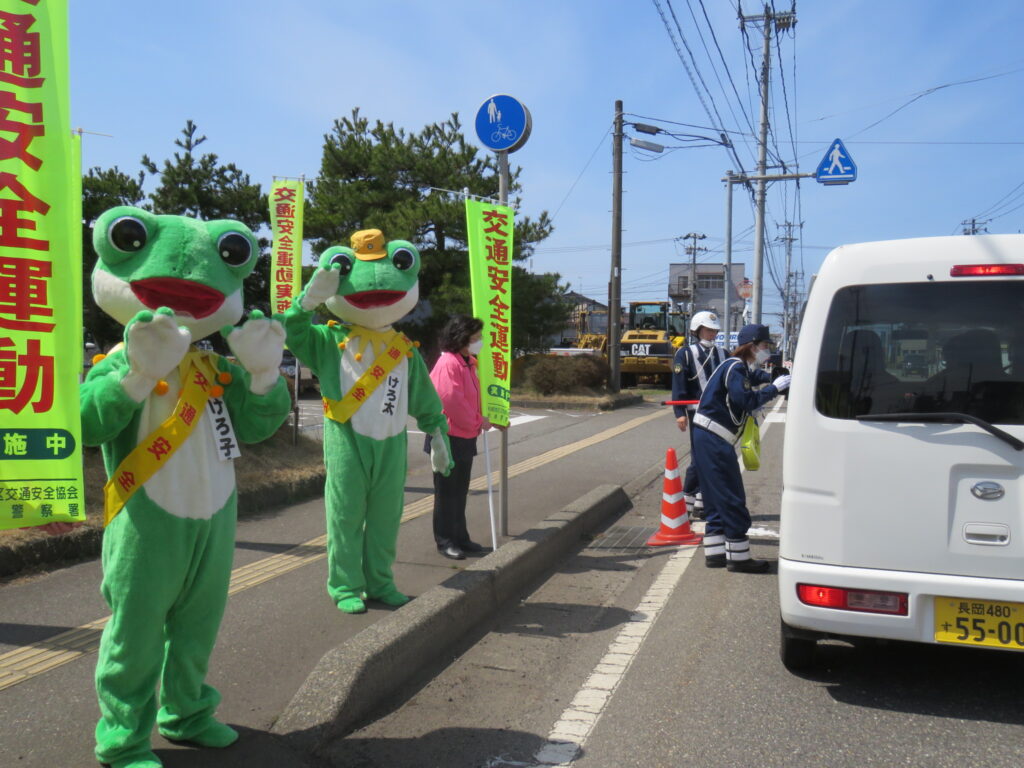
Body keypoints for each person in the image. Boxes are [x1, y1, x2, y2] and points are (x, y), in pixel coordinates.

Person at [691, 323, 791, 573]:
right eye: (765, 346)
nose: (767, 351)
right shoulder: (735, 368)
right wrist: (775, 388)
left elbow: (754, 377)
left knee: (714, 498)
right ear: (752, 346)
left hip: (706, 436)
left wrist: (772, 377)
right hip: (714, 439)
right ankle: (738, 556)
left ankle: (715, 553)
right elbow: (745, 400)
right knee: (731, 495)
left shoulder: (736, 367)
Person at [428, 315, 503, 560]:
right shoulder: (448, 363)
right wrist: (477, 421)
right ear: (460, 338)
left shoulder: (468, 361)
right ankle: (445, 540)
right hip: (448, 435)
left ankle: (461, 537)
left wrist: (484, 418)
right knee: (447, 492)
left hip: (464, 435)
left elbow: (471, 398)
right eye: (475, 338)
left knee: (460, 490)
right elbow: (450, 400)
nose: (479, 342)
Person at [671, 310, 727, 520]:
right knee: (699, 458)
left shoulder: (723, 353)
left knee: (715, 458)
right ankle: (686, 500)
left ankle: (703, 501)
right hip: (697, 414)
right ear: (697, 330)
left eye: (714, 330)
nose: (711, 333)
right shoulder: (685, 353)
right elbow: (679, 385)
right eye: (708, 329)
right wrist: (679, 413)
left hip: (720, 415)